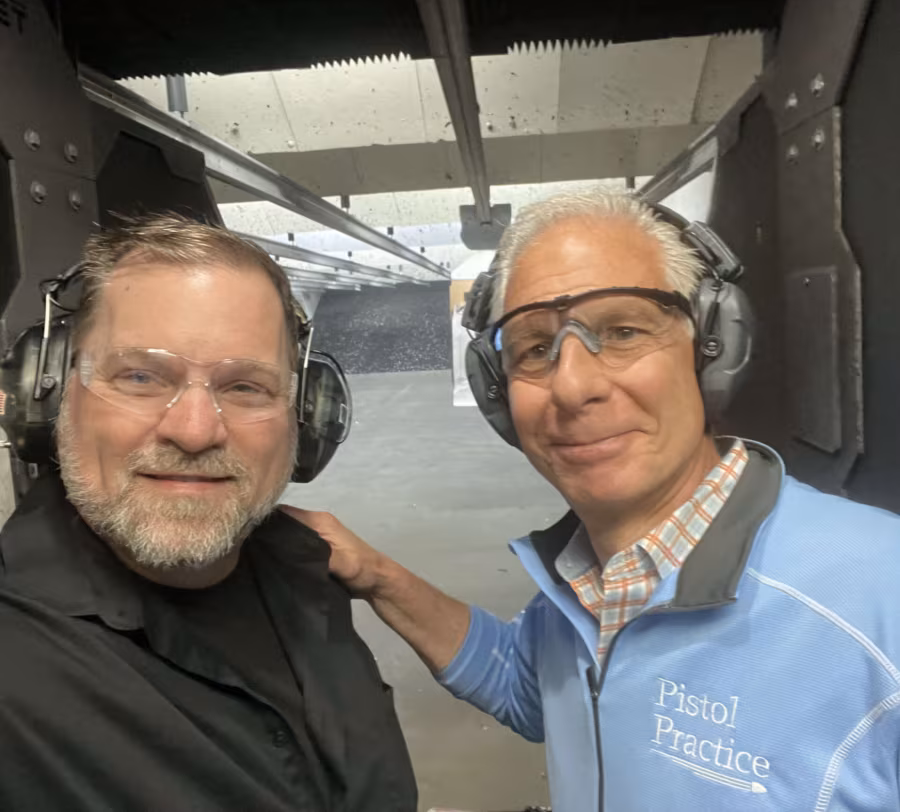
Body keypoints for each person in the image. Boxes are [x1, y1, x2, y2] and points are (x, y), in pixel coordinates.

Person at [290, 191, 900, 811]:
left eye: (623, 331)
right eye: (534, 349)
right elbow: (527, 688)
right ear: (498, 392)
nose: (573, 386)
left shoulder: (882, 596)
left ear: (713, 346)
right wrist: (377, 575)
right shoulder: (588, 579)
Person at [0, 214, 416, 811]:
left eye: (245, 387)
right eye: (140, 376)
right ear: (49, 393)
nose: (194, 431)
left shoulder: (307, 572)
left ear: (304, 416)